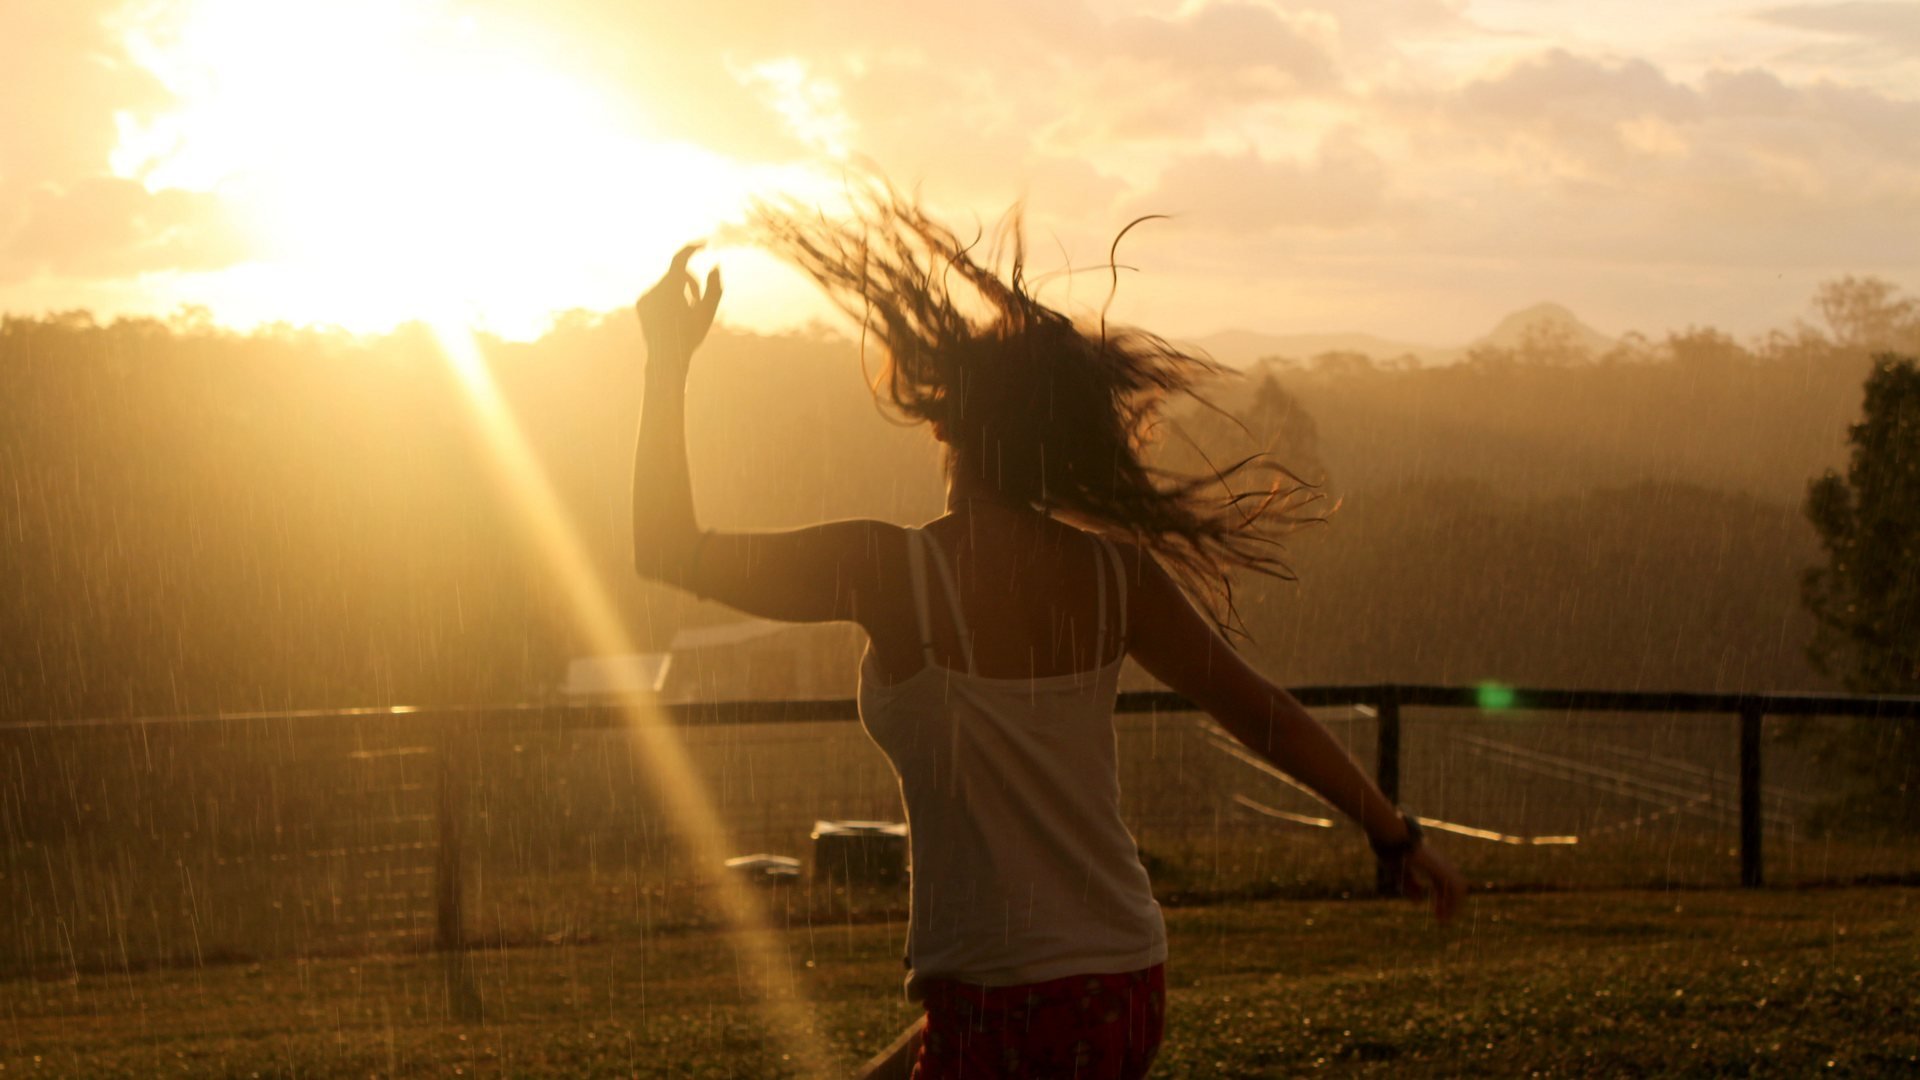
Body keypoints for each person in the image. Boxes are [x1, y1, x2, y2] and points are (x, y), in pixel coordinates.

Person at [629, 190, 1466, 1080]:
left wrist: (665, 363)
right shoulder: (1117, 577)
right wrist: (1395, 836)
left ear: (948, 422)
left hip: (1002, 1002)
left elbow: (667, 550)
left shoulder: (892, 571)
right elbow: (1260, 710)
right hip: (1119, 983)